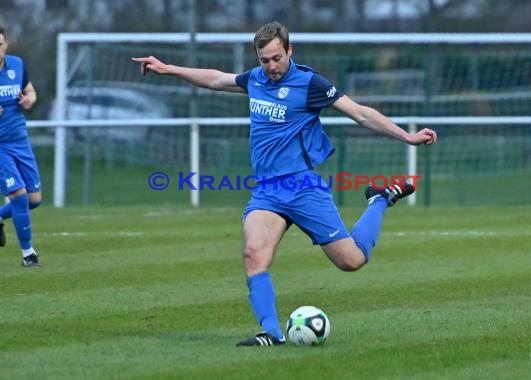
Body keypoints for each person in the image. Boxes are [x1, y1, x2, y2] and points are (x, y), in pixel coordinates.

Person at [133, 21, 437, 347]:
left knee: (351, 261)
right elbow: (217, 78)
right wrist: (168, 68)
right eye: (264, 60)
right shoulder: (256, 79)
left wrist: (407, 136)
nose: (271, 66)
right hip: (267, 191)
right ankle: (271, 333)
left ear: (289, 50)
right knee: (253, 253)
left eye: (276, 58)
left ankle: (380, 200)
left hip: (303, 187)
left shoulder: (309, 83)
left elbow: (360, 113)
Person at [0, 26, 42, 267]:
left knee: (33, 200)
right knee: (18, 195)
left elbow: (30, 90)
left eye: (1, 44)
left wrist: (29, 100)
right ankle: (29, 254)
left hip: (19, 141)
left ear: (6, 44)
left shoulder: (16, 65)